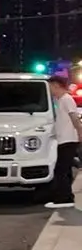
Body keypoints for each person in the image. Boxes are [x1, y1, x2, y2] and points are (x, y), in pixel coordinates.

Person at [48, 75, 82, 204]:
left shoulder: (67, 99)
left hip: (69, 140)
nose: (50, 91)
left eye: (50, 87)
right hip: (63, 139)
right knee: (65, 170)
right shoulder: (60, 100)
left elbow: (75, 118)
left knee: (60, 170)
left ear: (56, 85)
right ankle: (67, 197)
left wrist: (80, 134)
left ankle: (62, 198)